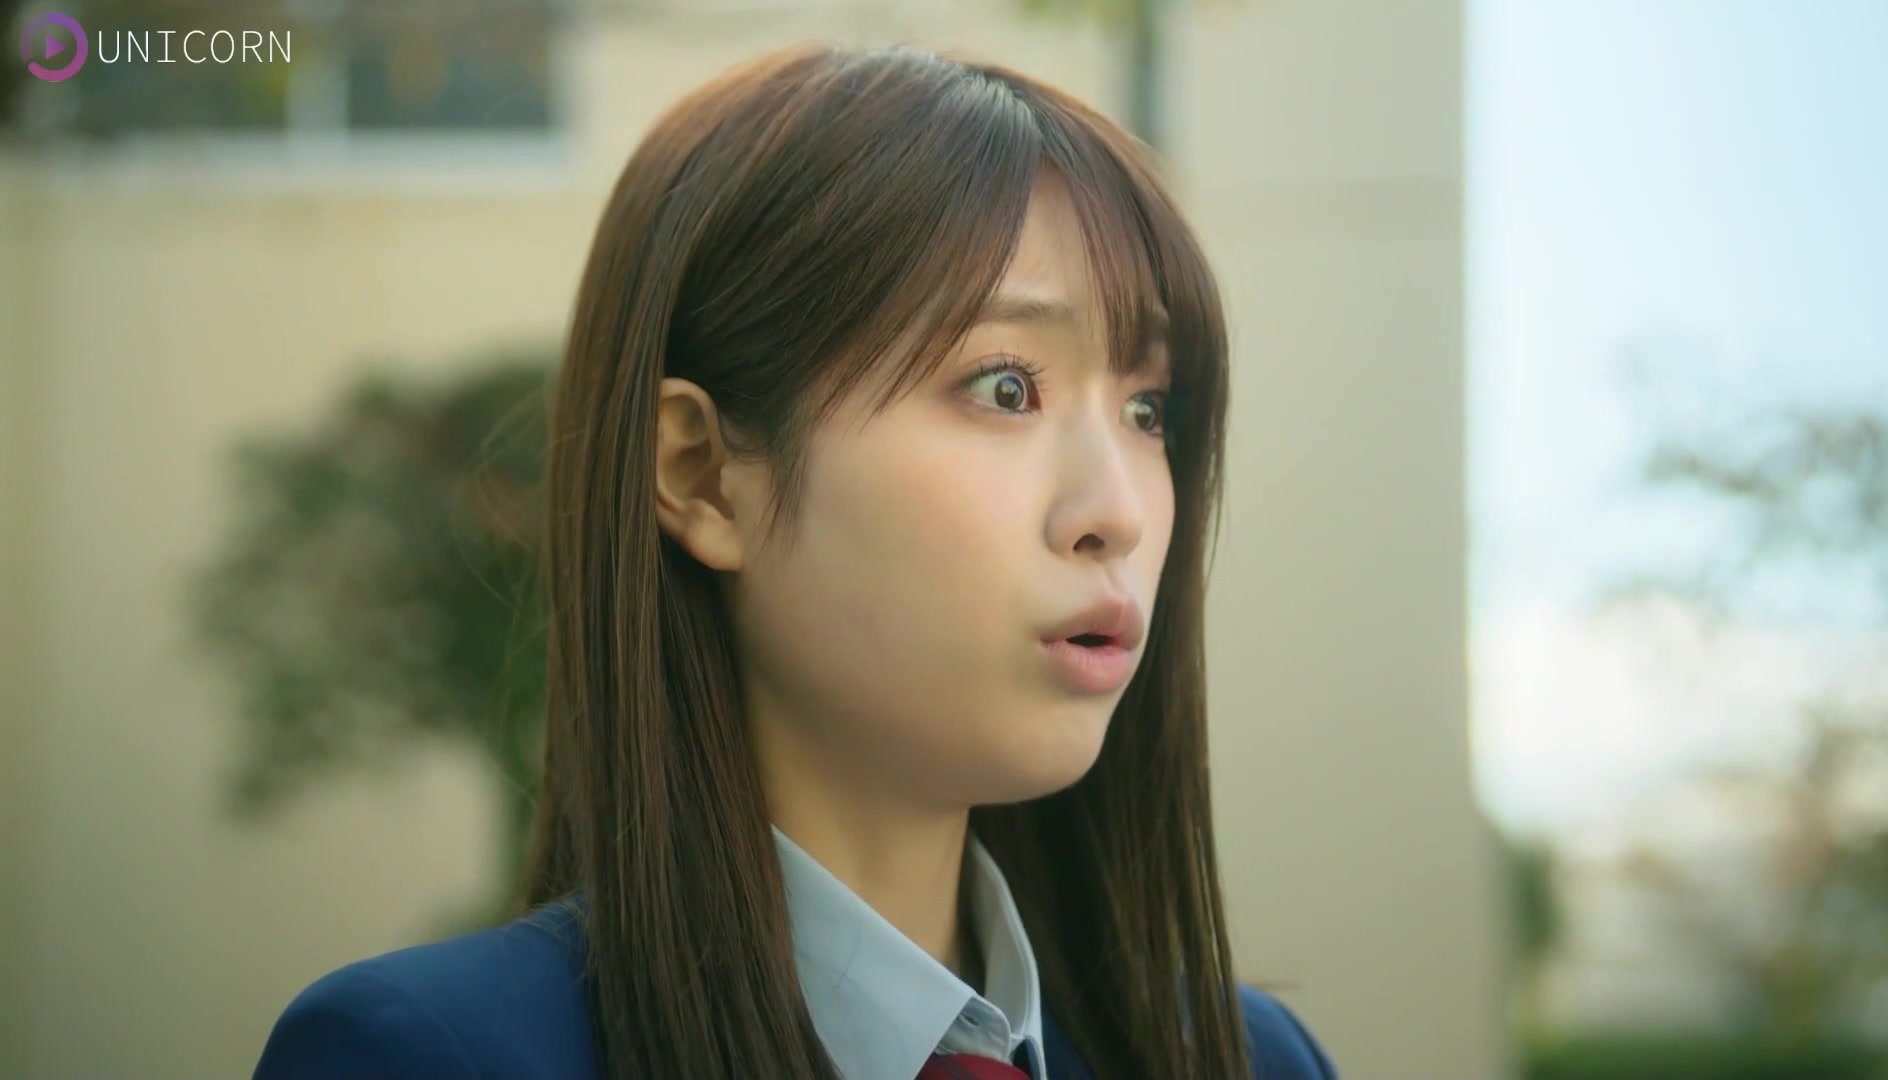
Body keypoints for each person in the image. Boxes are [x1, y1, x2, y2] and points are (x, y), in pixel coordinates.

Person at [251, 41, 1337, 1080]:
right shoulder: (427, 1060)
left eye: (1150, 409)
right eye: (1006, 387)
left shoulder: (1250, 1063)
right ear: (702, 475)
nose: (1120, 513)